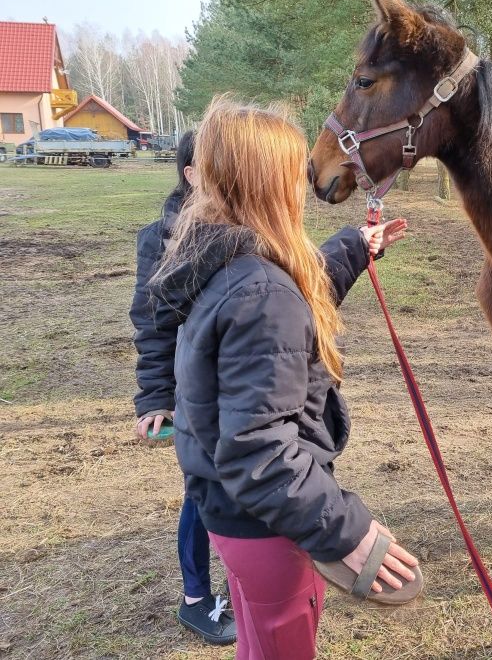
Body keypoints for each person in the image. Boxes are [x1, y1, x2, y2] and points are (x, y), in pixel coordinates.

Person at [147, 97, 421, 660]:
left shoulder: (218, 259)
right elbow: (262, 451)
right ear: (269, 182)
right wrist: (348, 530)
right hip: (266, 525)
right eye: (295, 170)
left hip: (229, 510)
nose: (304, 182)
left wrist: (354, 249)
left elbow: (289, 299)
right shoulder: (260, 291)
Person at [130, 131, 237, 645]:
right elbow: (151, 324)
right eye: (216, 167)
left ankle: (244, 579)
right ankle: (197, 599)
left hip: (238, 384)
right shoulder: (160, 239)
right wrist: (154, 396)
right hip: (194, 392)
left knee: (241, 486)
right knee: (200, 491)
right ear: (191, 175)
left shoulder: (242, 227)